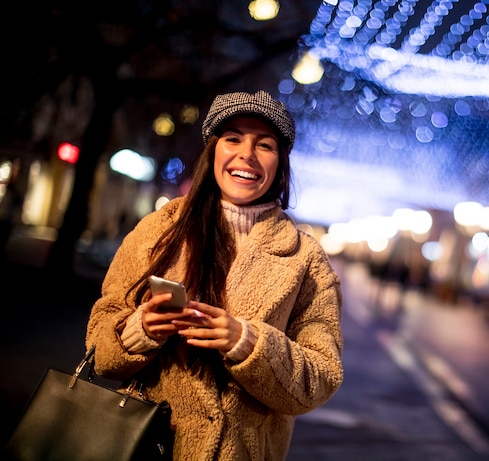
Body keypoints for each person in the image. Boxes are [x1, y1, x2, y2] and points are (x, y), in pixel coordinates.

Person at [85, 90, 344, 460]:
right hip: (144, 445)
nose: (247, 155)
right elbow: (99, 348)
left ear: (280, 164)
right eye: (233, 138)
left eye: (265, 145)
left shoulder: (307, 258)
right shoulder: (159, 230)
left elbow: (320, 378)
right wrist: (141, 329)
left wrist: (249, 342)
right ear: (213, 149)